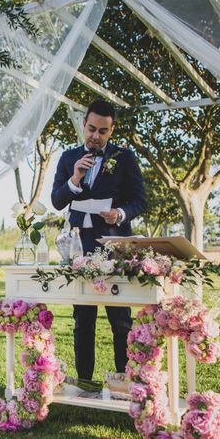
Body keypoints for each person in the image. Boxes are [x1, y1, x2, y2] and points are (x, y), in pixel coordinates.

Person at [51, 99, 146, 381]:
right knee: (83, 320)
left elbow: (140, 201)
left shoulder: (125, 158)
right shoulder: (68, 158)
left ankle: (124, 381)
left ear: (111, 130)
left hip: (114, 247)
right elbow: (57, 201)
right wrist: (74, 180)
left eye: (103, 131)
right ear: (84, 125)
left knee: (120, 321)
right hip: (79, 247)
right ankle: (84, 382)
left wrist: (120, 213)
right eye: (92, 129)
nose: (96, 136)